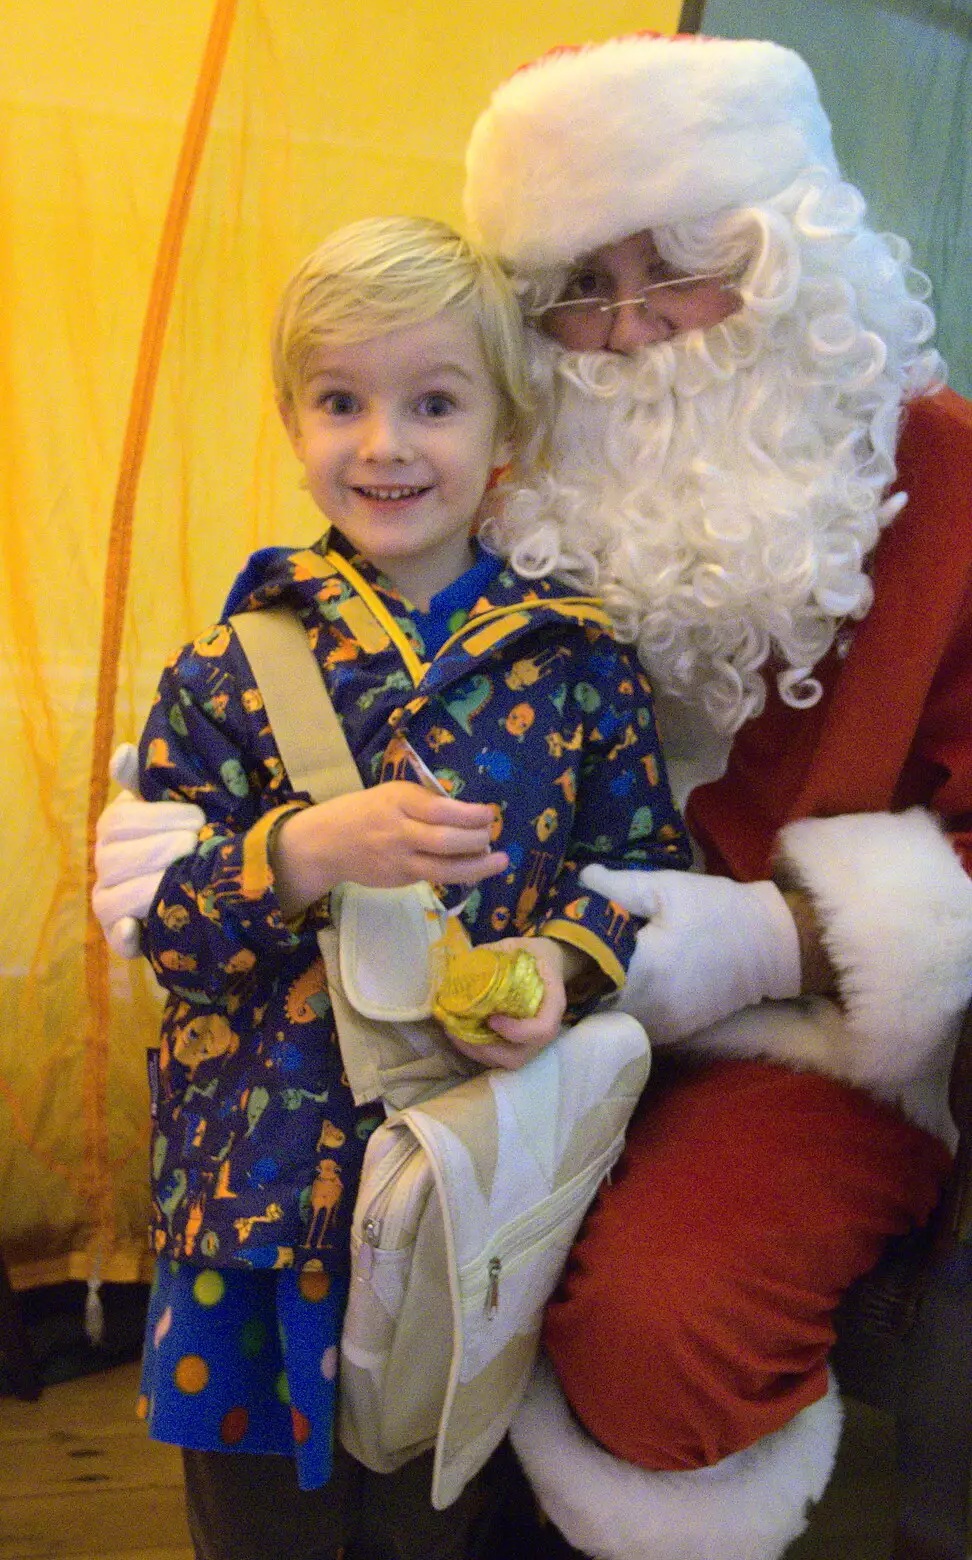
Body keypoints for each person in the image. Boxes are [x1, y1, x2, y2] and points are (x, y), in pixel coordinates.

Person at [93, 36, 972, 1560]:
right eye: (577, 284)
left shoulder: (949, 485)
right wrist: (235, 847)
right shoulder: (517, 489)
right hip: (393, 1069)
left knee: (654, 1328)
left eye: (684, 263)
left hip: (804, 1035)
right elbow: (285, 710)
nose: (629, 328)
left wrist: (761, 944)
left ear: (794, 251)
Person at [123, 212, 690, 1560]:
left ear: (508, 429)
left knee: (435, 1524)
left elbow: (644, 874)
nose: (383, 442)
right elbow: (162, 927)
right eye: (341, 400)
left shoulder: (579, 663)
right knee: (256, 1529)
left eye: (431, 401)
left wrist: (562, 962)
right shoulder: (225, 665)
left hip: (466, 1200)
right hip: (251, 1208)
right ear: (293, 417)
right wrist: (300, 855)